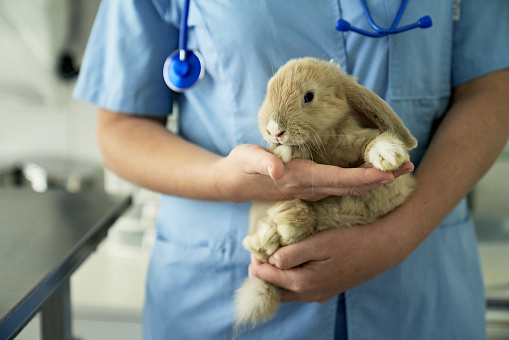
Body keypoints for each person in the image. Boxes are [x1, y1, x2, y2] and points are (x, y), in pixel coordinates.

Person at [73, 1, 509, 339]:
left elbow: (492, 90)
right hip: (217, 284)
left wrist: (397, 237)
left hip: (416, 286)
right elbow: (120, 127)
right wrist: (224, 181)